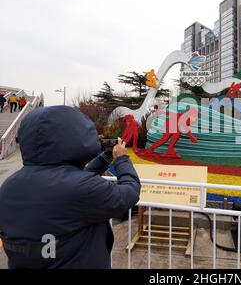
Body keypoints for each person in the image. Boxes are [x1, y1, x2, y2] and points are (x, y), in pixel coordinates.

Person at [0, 105, 141, 269]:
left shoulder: (9, 186)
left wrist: (105, 158)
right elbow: (130, 192)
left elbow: (67, 183)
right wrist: (122, 159)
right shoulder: (80, 188)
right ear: (77, 136)